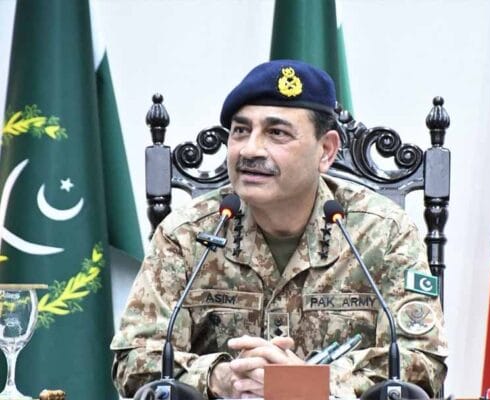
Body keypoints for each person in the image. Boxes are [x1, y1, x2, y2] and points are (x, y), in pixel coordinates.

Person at [111, 59, 448, 399]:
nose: (250, 149)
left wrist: (308, 383)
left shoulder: (386, 234)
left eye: (277, 133)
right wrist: (221, 377)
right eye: (241, 131)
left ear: (326, 151)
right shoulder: (186, 234)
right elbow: (134, 359)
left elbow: (422, 361)